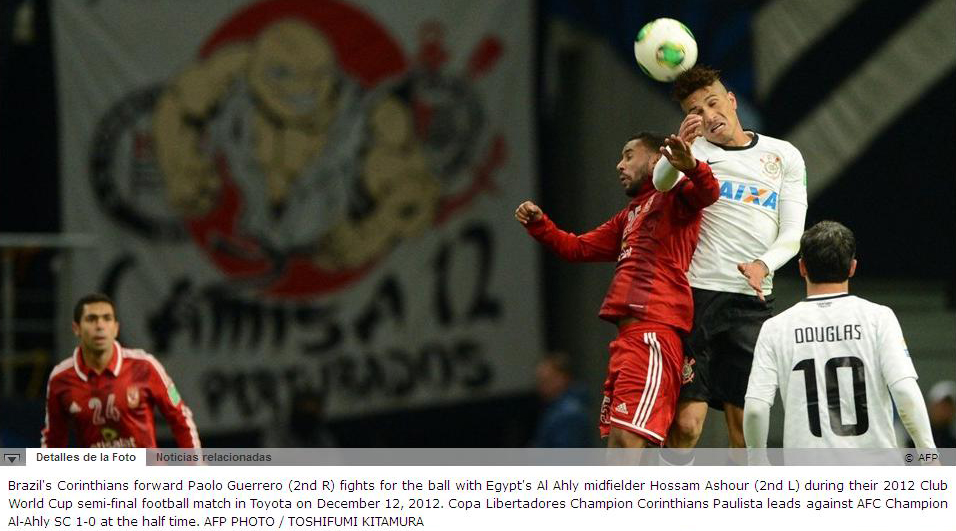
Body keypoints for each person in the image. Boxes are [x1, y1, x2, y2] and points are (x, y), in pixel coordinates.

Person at [515, 131, 718, 448]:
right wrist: (541, 225)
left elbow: (708, 192)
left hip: (653, 334)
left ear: (654, 159)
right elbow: (577, 248)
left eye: (628, 155)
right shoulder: (630, 216)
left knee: (627, 447)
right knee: (620, 449)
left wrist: (691, 165)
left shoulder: (675, 197)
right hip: (626, 342)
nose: (619, 165)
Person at [652, 66, 808, 448]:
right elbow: (659, 182)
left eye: (712, 103)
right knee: (687, 425)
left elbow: (792, 234)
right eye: (696, 111)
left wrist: (763, 265)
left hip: (749, 303)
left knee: (746, 428)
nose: (708, 115)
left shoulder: (783, 155)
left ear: (732, 102)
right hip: (697, 298)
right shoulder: (693, 155)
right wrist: (677, 156)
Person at [742, 221, 935, 448]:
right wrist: (928, 457)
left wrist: (757, 463)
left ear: (802, 267)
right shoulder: (878, 318)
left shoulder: (776, 327)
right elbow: (904, 391)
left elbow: (755, 409)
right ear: (852, 267)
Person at [41, 293, 201, 448]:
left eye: (107, 318)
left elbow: (181, 417)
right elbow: (53, 442)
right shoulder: (60, 378)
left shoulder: (145, 366)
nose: (100, 326)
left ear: (116, 328)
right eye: (91, 319)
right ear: (76, 328)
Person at [531, 352, 590, 448]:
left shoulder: (568, 414)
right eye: (539, 381)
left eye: (545, 380)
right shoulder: (557, 409)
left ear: (562, 379)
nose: (540, 386)